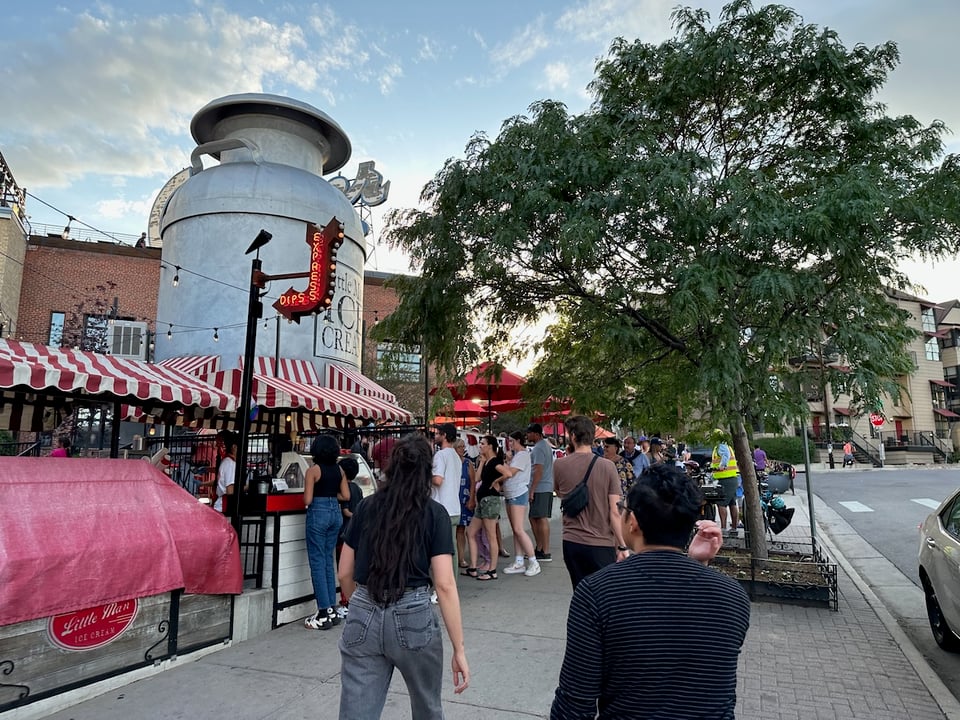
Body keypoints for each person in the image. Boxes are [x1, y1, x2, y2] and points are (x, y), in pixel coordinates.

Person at [550, 463, 750, 719]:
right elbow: (701, 674)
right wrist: (696, 565)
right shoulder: (733, 597)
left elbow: (575, 704)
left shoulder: (597, 593)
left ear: (632, 522)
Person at [337, 435, 469, 718]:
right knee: (427, 707)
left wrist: (358, 603)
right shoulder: (435, 514)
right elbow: (445, 584)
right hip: (414, 613)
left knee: (356, 711)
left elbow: (344, 571)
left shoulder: (366, 507)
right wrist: (459, 648)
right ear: (425, 471)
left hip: (363, 607)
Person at [554, 415, 628, 590]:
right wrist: (622, 545)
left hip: (571, 541)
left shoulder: (559, 465)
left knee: (580, 592)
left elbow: (559, 493)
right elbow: (614, 511)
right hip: (601, 543)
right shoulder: (608, 466)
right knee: (604, 595)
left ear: (572, 436)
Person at [303, 435, 349, 630]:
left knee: (317, 560)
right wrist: (332, 497)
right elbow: (346, 495)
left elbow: (307, 499)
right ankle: (332, 606)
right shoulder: (339, 470)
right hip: (335, 513)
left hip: (318, 514)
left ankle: (323, 611)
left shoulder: (313, 471)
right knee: (328, 560)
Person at [500, 431, 541, 577]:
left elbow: (510, 472)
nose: (510, 444)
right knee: (515, 529)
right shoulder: (517, 456)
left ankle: (533, 561)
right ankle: (519, 560)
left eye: (511, 441)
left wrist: (504, 463)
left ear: (518, 441)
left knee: (519, 529)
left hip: (518, 493)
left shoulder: (523, 455)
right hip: (511, 493)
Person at [464, 434, 504, 580]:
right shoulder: (487, 462)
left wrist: (497, 481)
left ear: (490, 446)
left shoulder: (495, 462)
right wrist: (481, 462)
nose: (480, 446)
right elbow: (478, 478)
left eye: (482, 443)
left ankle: (492, 570)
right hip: (483, 501)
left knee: (490, 535)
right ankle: (473, 567)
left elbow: (507, 473)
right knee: (471, 532)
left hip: (490, 500)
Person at [431, 423, 463, 573]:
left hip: (442, 508)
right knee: (452, 548)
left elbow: (438, 480)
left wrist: (425, 474)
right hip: (454, 507)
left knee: (441, 550)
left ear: (444, 435)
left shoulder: (441, 455)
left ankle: (443, 587)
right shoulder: (456, 456)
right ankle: (451, 583)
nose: (435, 436)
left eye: (438, 433)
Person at [335, 456, 363, 618]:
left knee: (343, 568)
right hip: (358, 534)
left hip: (344, 533)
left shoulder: (344, 489)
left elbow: (346, 511)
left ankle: (346, 601)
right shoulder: (357, 488)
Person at [526, 423, 556, 562]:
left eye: (529, 432)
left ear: (536, 434)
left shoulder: (539, 449)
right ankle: (540, 547)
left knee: (540, 517)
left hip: (541, 487)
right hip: (546, 486)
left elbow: (538, 470)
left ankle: (544, 550)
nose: (527, 435)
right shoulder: (546, 446)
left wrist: (532, 490)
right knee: (535, 517)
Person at [710, 428, 741, 537]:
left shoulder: (721, 446)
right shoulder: (727, 445)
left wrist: (722, 466)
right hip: (731, 478)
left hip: (725, 479)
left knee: (721, 503)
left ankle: (723, 529)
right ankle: (734, 528)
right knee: (732, 503)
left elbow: (725, 456)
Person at [454, 438, 475, 569]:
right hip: (453, 498)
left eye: (463, 446)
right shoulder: (451, 462)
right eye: (460, 447)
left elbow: (473, 481)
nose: (463, 449)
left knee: (462, 529)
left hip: (465, 497)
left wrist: (472, 498)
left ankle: (461, 558)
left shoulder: (468, 463)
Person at [213, 430, 238, 513]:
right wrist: (247, 487)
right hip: (224, 506)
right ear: (234, 447)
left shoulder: (226, 461)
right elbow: (230, 491)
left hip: (220, 504)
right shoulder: (230, 463)